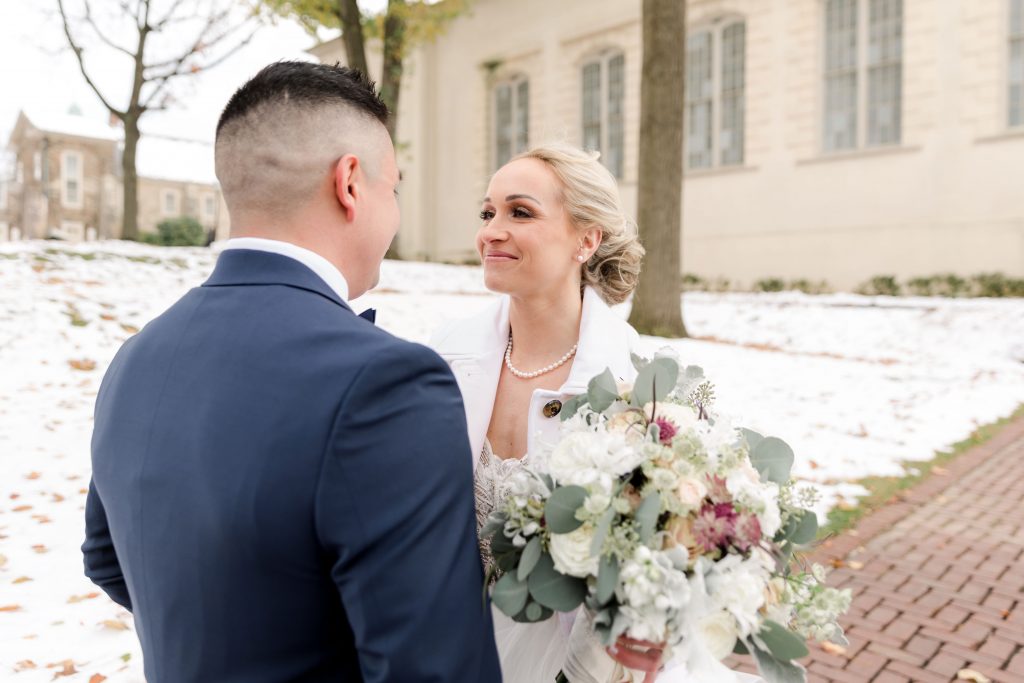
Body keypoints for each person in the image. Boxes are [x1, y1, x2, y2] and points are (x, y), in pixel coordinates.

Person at [82, 61, 501, 683]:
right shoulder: (386, 381)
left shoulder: (137, 357)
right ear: (351, 183)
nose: (395, 213)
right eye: (396, 188)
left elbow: (106, 558)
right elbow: (434, 667)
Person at [433, 143, 656, 682]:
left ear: (587, 239)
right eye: (488, 213)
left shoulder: (640, 386)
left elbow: (649, 565)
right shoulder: (439, 360)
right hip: (445, 645)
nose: (491, 231)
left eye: (521, 212)